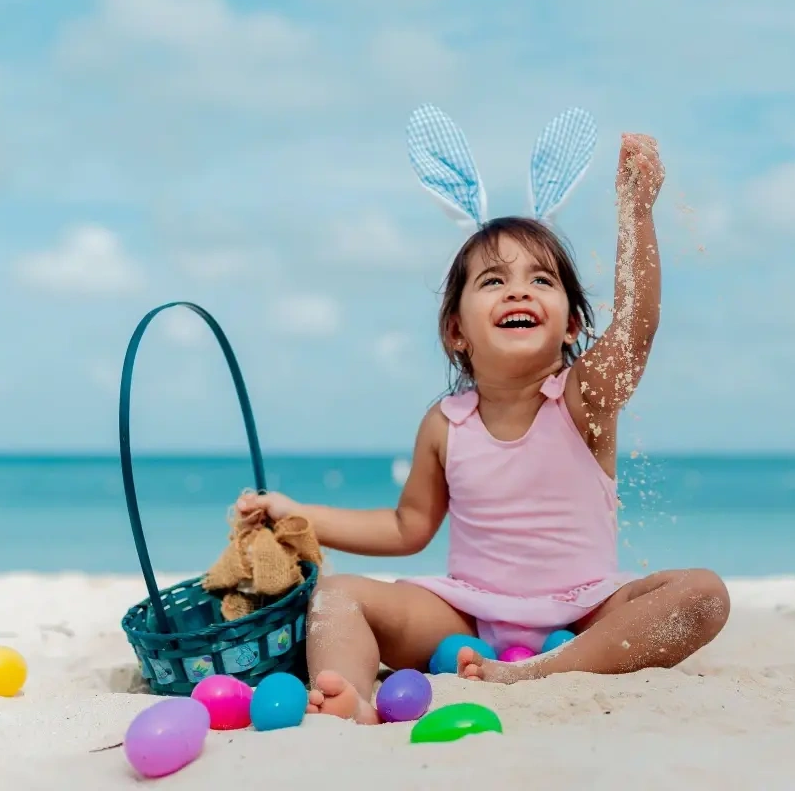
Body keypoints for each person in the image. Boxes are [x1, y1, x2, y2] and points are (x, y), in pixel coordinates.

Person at [234, 105, 730, 724]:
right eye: (493, 281)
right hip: (466, 616)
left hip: (583, 614)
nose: (519, 290)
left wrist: (635, 209)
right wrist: (296, 513)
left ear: (572, 322)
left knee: (702, 594)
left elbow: (634, 334)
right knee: (338, 596)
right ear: (457, 332)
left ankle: (542, 670)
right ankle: (349, 696)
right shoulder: (447, 423)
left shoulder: (581, 399)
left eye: (542, 280)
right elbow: (406, 527)